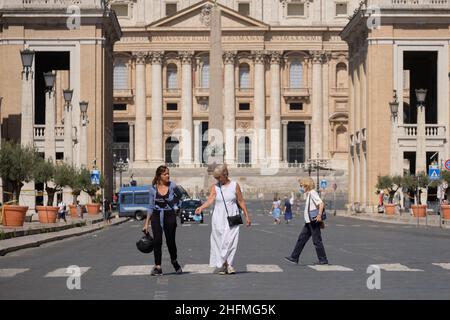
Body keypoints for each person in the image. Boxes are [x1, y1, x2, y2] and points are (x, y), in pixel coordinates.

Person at [195, 164, 251, 275]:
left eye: (219, 177)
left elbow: (240, 201)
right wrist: (201, 207)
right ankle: (226, 265)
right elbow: (210, 200)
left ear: (225, 174)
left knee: (231, 241)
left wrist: (247, 216)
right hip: (218, 217)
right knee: (220, 242)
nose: (218, 180)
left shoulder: (235, 185)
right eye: (216, 178)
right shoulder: (215, 187)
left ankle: (228, 264)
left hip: (232, 217)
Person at [143, 165, 183, 276]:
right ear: (159, 176)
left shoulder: (172, 186)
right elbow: (150, 207)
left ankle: (174, 261)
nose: (168, 176)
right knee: (157, 241)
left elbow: (180, 195)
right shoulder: (152, 189)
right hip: (156, 215)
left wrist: (175, 204)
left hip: (169, 215)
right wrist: (146, 224)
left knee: (170, 241)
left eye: (168, 173)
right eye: (165, 174)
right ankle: (158, 266)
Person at [285, 177, 329, 265]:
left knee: (317, 240)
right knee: (301, 239)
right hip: (309, 221)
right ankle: (294, 257)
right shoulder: (309, 194)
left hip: (313, 221)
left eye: (301, 186)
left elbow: (321, 203)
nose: (301, 188)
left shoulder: (312, 193)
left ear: (306, 185)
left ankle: (323, 259)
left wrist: (319, 216)